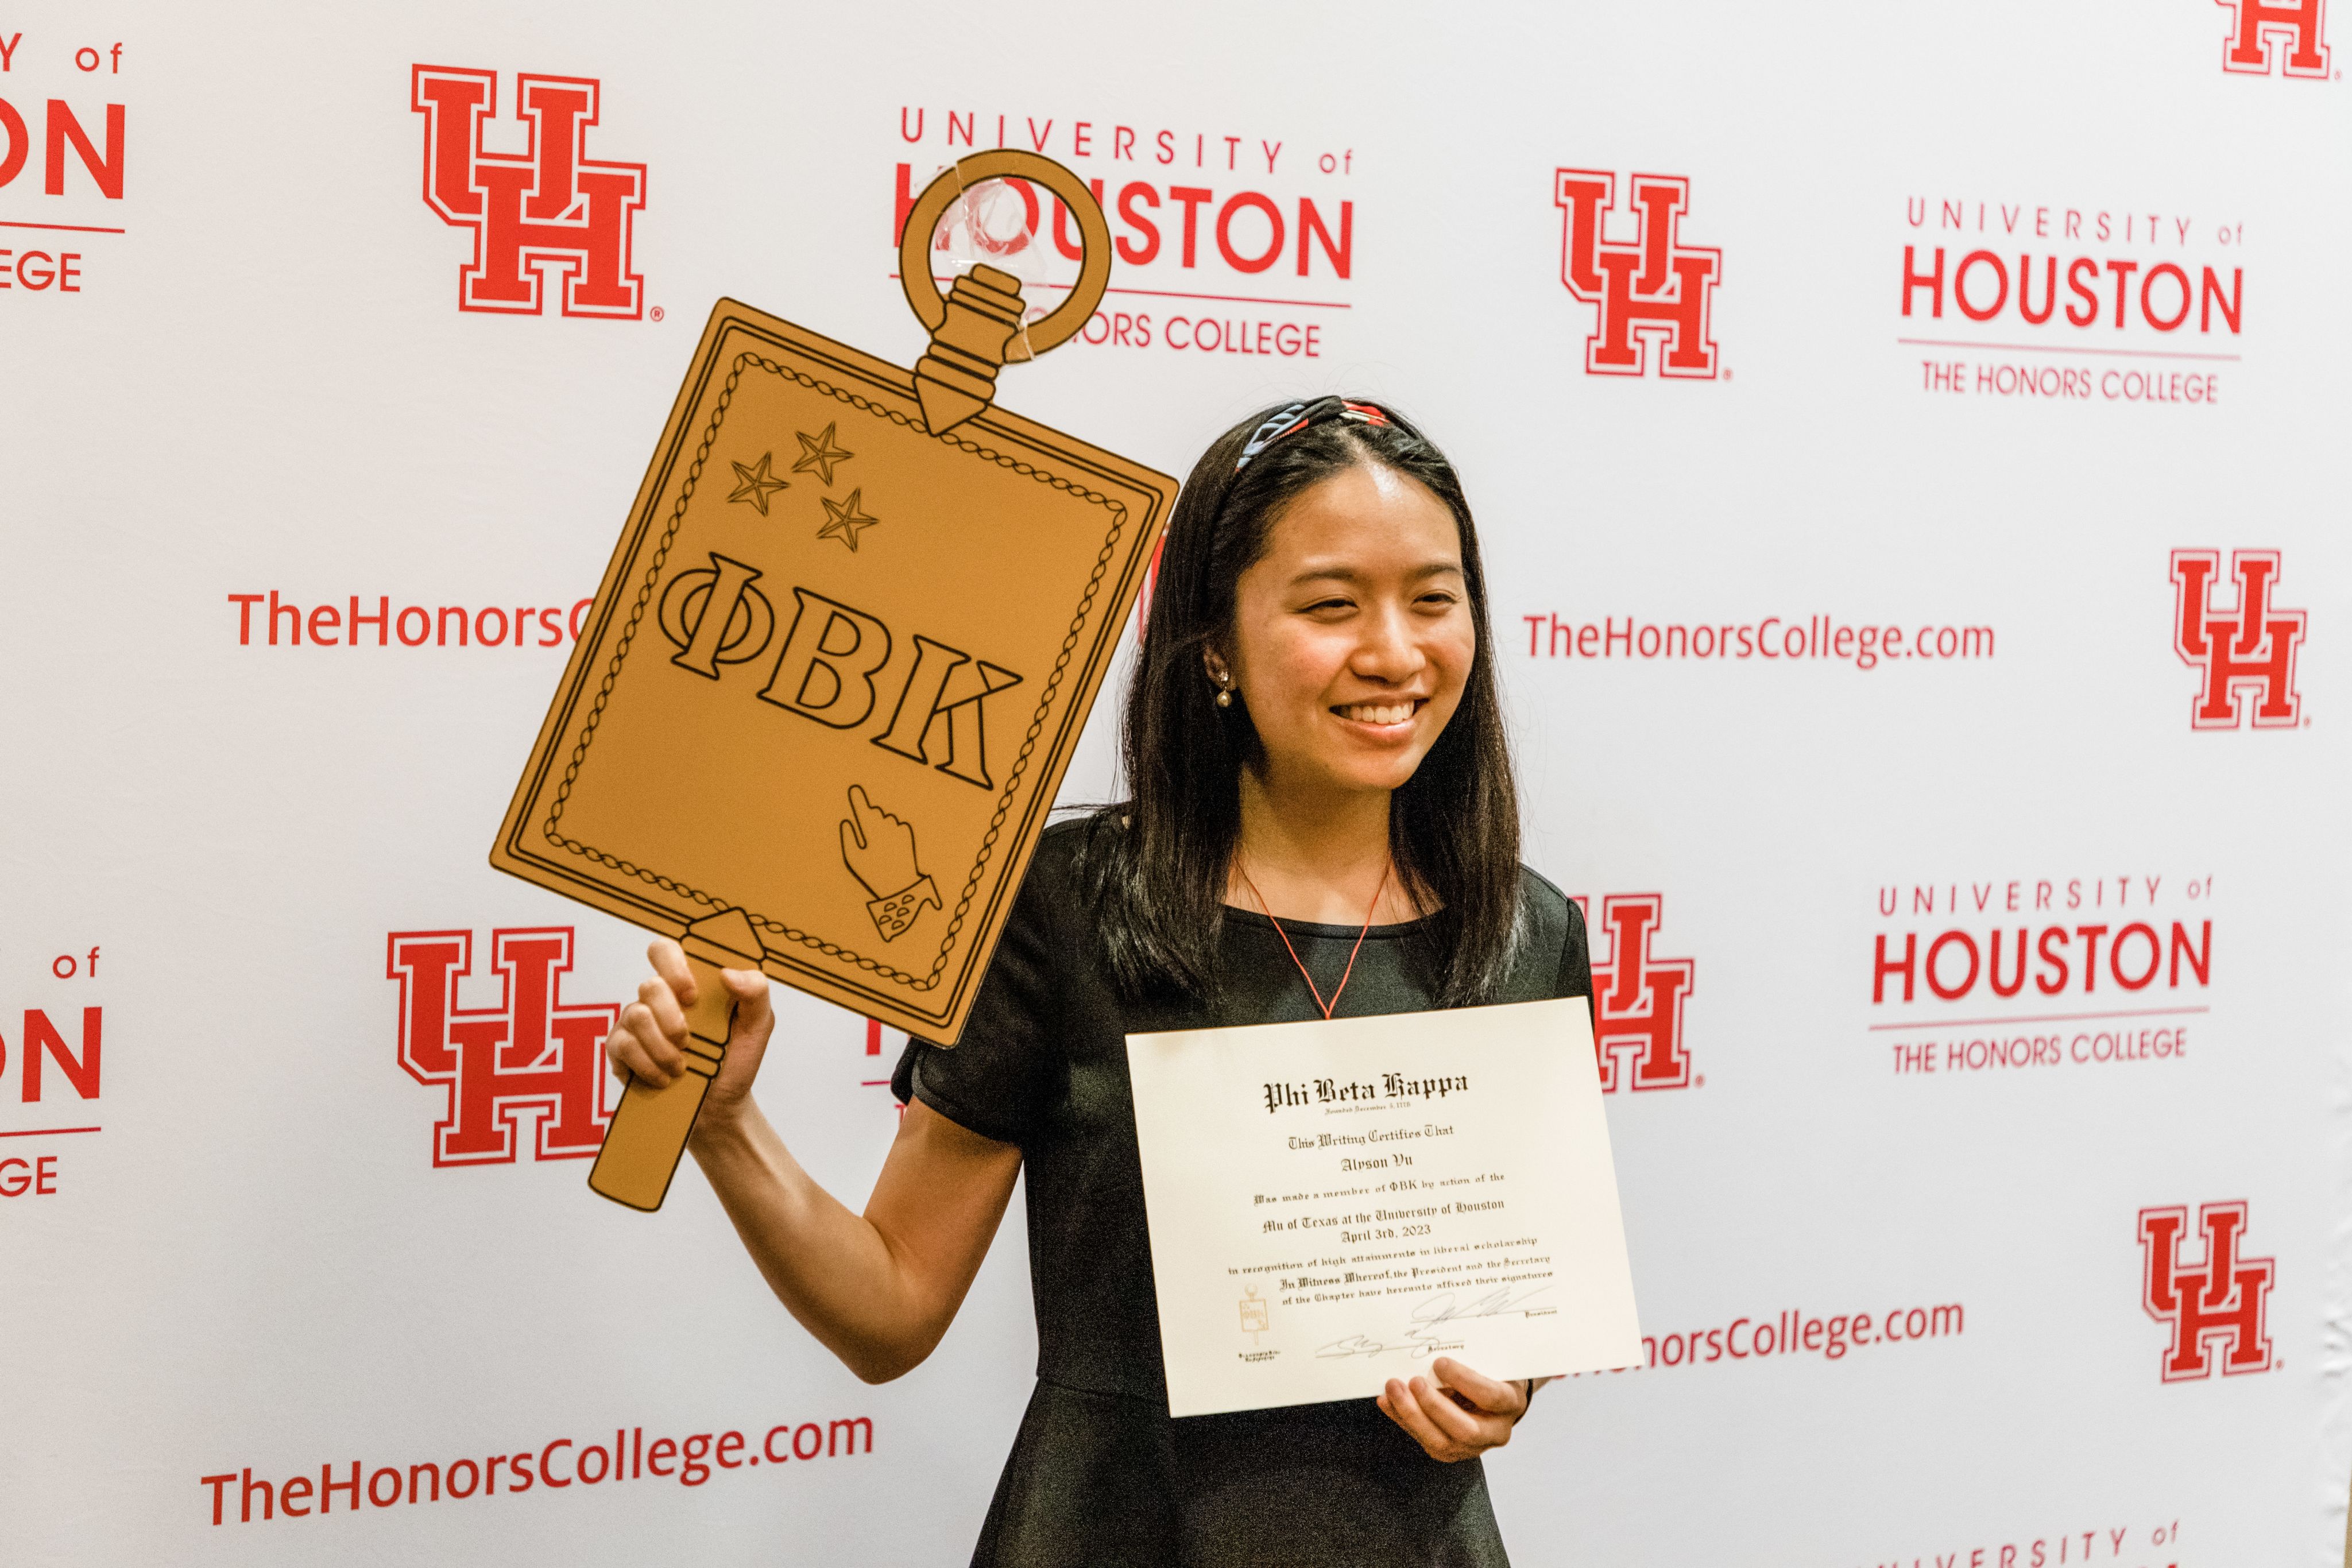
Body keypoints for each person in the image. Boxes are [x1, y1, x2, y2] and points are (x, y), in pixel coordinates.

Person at [606, 395, 1593, 1566]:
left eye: (1433, 598)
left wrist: (1506, 1381)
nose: (1393, 651)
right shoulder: (1061, 907)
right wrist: (723, 1125)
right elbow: (889, 1310)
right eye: (1331, 604)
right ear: (1214, 641)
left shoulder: (1524, 934)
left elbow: (1518, 1306)